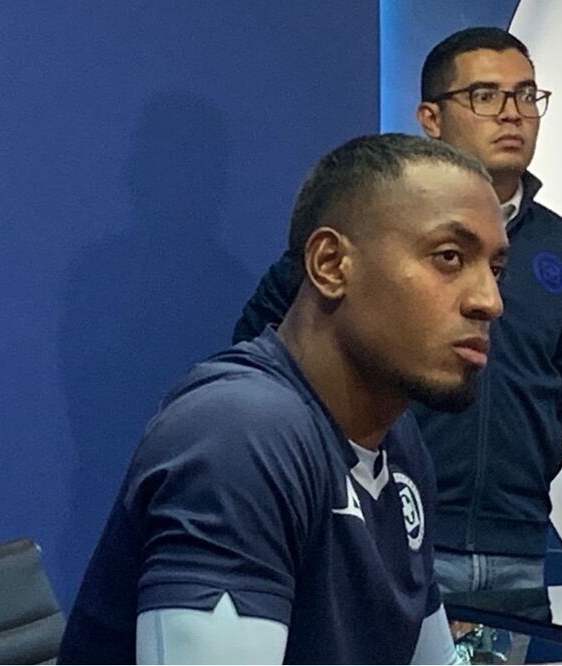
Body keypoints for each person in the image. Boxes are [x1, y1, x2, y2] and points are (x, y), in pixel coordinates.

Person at [58, 133, 509, 664]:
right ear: (330, 264)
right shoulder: (239, 433)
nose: (489, 301)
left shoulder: (399, 442)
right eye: (449, 257)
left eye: (496, 269)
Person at [234, 27, 562, 594]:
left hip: (519, 543)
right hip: (395, 522)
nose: (512, 114)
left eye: (526, 96)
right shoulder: (375, 221)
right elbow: (270, 345)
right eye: (485, 96)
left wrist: (531, 458)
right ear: (431, 117)